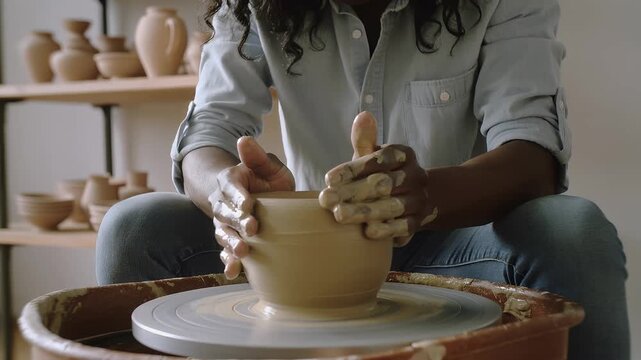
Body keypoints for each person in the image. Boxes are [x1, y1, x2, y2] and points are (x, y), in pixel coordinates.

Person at [96, 0, 630, 359]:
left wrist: (425, 196)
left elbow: (532, 150)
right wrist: (226, 195)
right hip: (305, 252)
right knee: (135, 226)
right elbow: (208, 130)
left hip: (456, 242)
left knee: (571, 229)